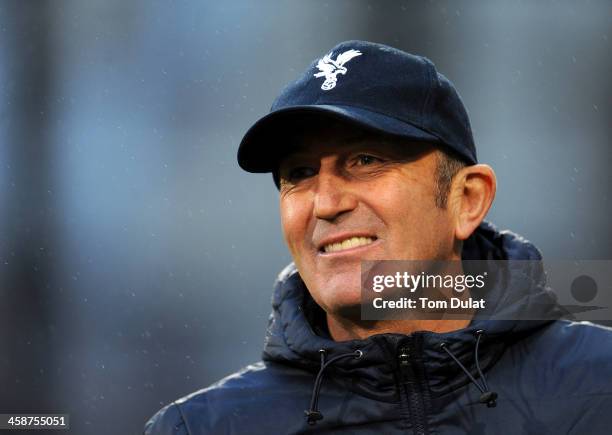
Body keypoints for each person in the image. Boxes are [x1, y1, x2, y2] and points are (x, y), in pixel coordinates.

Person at [144, 40, 612, 434]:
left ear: (466, 199)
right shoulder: (201, 427)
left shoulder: (601, 383)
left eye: (366, 160)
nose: (326, 203)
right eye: (300, 173)